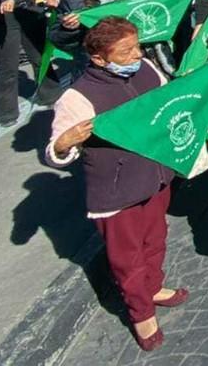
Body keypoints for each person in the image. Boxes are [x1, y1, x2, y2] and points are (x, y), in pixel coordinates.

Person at [45, 18, 194, 351]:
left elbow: (167, 104)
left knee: (155, 238)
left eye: (137, 46)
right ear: (99, 58)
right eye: (126, 51)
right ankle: (140, 313)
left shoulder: (147, 70)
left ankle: (153, 287)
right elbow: (55, 151)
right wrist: (65, 142)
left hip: (155, 178)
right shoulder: (77, 97)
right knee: (126, 259)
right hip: (116, 193)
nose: (136, 55)